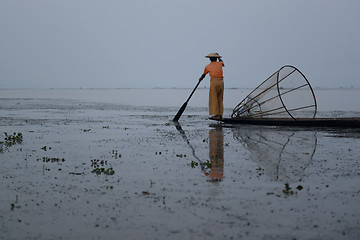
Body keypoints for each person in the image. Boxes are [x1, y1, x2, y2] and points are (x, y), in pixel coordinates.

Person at [199, 53, 225, 120]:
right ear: (216, 58)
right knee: (220, 98)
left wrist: (200, 79)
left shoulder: (208, 66)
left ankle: (216, 115)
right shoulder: (220, 64)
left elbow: (203, 74)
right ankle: (220, 115)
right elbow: (222, 62)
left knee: (213, 98)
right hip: (221, 82)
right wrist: (219, 57)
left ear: (210, 59)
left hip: (214, 81)